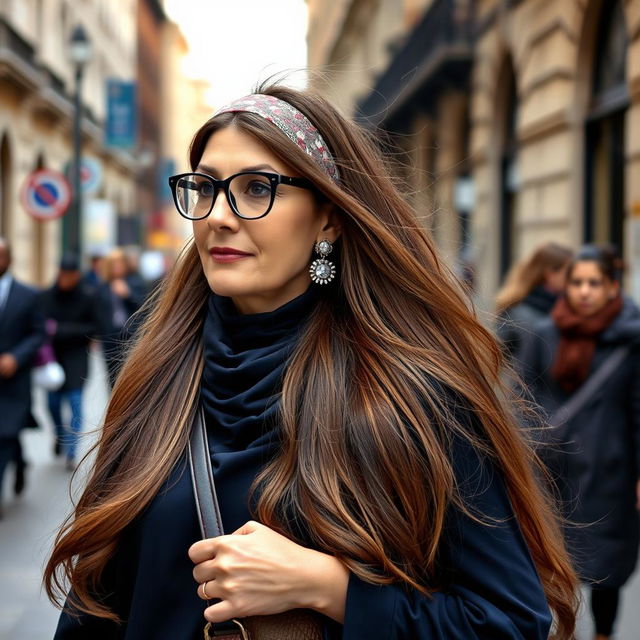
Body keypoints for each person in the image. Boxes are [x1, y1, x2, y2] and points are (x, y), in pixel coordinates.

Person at [45, 85, 578, 639]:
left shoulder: (410, 395)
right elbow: (97, 605)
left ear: (327, 219)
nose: (219, 216)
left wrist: (331, 590)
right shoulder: (158, 379)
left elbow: (510, 622)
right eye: (204, 188)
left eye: (257, 189)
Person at [519, 244, 640, 640]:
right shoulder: (544, 333)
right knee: (546, 564)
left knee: (607, 569)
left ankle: (603, 634)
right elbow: (522, 397)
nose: (584, 291)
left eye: (594, 283)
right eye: (577, 282)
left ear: (611, 288)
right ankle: (556, 632)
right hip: (551, 473)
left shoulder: (630, 341)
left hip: (609, 475)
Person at [41, 254, 99, 471]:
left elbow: (93, 327)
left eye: (69, 275)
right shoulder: (46, 296)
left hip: (77, 359)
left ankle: (72, 453)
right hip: (52, 360)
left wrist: (60, 330)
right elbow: (40, 325)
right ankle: (60, 435)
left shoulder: (87, 296)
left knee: (75, 405)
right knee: (52, 405)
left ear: (76, 275)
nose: (65, 278)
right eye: (62, 274)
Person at [0, 237, 45, 516]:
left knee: (5, 433)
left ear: (9, 259)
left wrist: (16, 357)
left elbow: (39, 333)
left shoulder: (29, 296)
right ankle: (20, 462)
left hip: (14, 380)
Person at [495, 242, 573, 359]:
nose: (573, 277)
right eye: (568, 272)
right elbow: (499, 360)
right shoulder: (518, 314)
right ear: (550, 273)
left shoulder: (569, 308)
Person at [94, 247, 144, 387]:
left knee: (130, 378)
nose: (117, 267)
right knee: (112, 377)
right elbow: (98, 313)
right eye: (114, 264)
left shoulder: (135, 282)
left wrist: (127, 294)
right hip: (110, 338)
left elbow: (144, 307)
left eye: (120, 263)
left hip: (130, 336)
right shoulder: (102, 287)